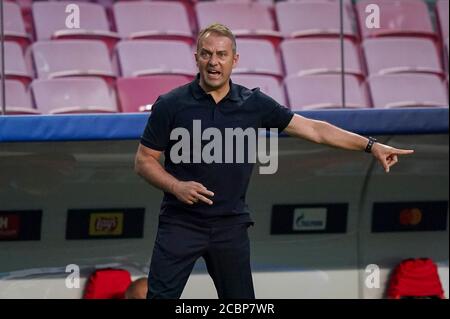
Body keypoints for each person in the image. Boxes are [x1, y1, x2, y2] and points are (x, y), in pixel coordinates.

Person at [134, 23, 414, 299]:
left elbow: (315, 130)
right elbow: (144, 160)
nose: (213, 62)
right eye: (206, 54)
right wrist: (176, 187)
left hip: (230, 226)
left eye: (221, 54)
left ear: (235, 59)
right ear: (196, 58)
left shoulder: (253, 103)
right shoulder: (171, 104)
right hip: (180, 223)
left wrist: (371, 146)